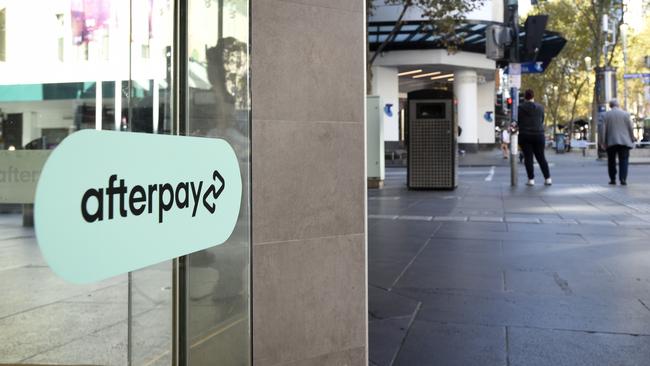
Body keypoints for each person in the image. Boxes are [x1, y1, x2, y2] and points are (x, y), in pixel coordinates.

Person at [517, 89, 552, 186]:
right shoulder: (540, 107)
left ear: (525, 97)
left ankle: (531, 180)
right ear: (533, 97)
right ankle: (547, 178)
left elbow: (517, 121)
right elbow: (541, 120)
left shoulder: (520, 108)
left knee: (528, 158)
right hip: (539, 135)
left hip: (525, 135)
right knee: (541, 157)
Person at [601, 99, 635, 185]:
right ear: (618, 105)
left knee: (611, 161)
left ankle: (613, 179)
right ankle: (623, 178)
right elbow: (630, 128)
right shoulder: (626, 114)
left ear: (610, 106)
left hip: (611, 142)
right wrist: (632, 138)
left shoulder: (606, 115)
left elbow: (603, 130)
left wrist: (603, 141)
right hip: (624, 142)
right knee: (623, 160)